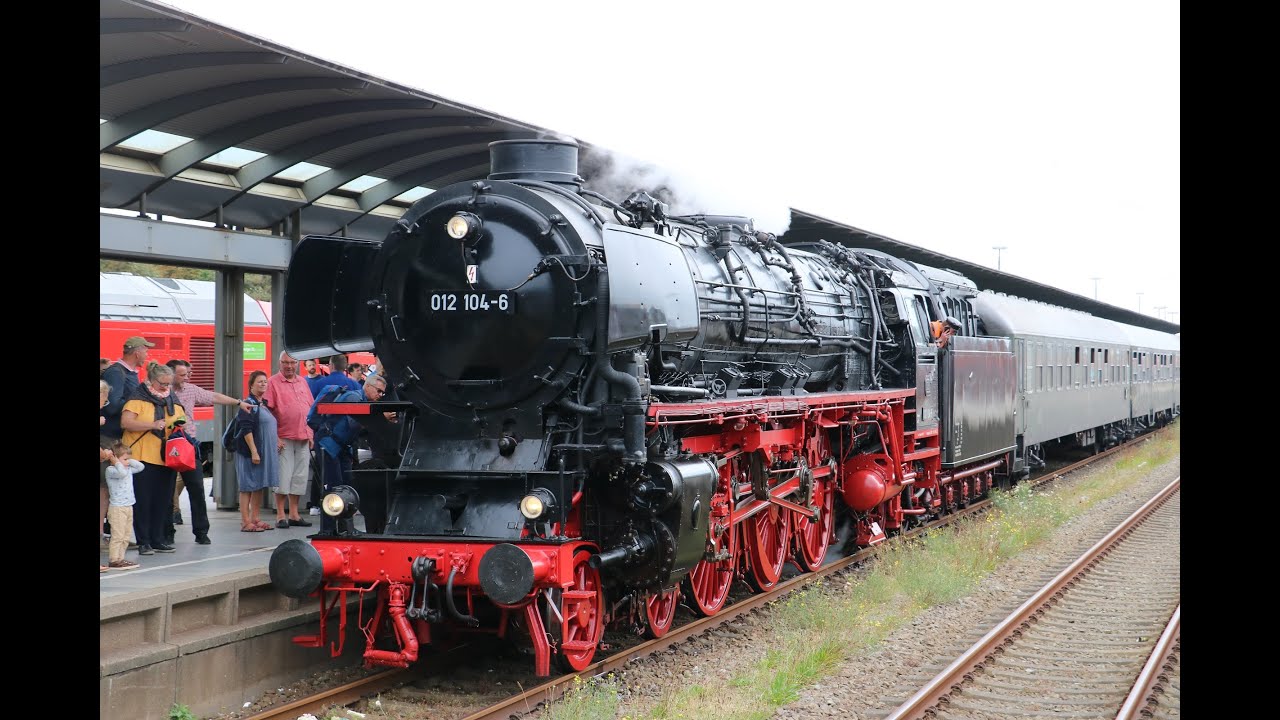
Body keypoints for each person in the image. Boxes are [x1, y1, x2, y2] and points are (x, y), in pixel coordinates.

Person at [165, 358, 252, 543]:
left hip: (188, 444)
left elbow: (213, 397)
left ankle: (201, 532)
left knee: (196, 488)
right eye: (182, 375)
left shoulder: (190, 389)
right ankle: (166, 531)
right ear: (170, 375)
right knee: (165, 489)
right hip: (167, 444)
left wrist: (238, 403)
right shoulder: (161, 391)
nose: (186, 378)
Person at [120, 361, 187, 555]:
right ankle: (144, 542)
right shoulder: (137, 399)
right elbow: (126, 422)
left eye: (168, 384)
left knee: (162, 500)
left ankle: (158, 540)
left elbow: (181, 419)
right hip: (142, 458)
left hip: (167, 457)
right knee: (143, 501)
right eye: (162, 384)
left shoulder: (171, 398)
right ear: (151, 380)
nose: (166, 387)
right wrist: (152, 424)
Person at [264, 351, 314, 530]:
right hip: (283, 437)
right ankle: (280, 515)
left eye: (292, 363)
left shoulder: (302, 382)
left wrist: (310, 434)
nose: (289, 366)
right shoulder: (272, 382)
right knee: (282, 477)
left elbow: (310, 407)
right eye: (285, 362)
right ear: (279, 363)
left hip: (303, 436)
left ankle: (294, 514)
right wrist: (274, 437)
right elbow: (267, 412)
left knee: (300, 476)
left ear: (298, 364)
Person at [351, 373, 401, 534]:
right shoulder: (355, 398)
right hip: (339, 446)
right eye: (378, 392)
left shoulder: (367, 401)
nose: (380, 396)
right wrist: (381, 418)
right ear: (368, 386)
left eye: (382, 393)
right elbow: (355, 425)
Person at [233, 370, 277, 532]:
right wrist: (254, 451)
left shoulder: (262, 403)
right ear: (251, 385)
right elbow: (246, 429)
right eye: (259, 382)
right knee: (247, 486)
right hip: (249, 453)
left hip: (262, 452)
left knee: (258, 485)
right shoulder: (248, 404)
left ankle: (255, 518)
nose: (263, 384)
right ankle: (245, 522)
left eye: (265, 381)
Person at [101, 336, 154, 442]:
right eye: (146, 352)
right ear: (137, 354)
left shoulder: (128, 373)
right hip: (110, 438)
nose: (147, 356)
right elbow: (112, 406)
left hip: (118, 436)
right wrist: (138, 406)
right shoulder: (115, 373)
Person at [103, 441, 142, 571]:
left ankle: (120, 558)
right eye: (125, 459)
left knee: (126, 535)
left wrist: (128, 461)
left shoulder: (127, 468)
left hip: (128, 506)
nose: (128, 462)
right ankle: (114, 559)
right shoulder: (111, 470)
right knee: (118, 535)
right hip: (117, 508)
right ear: (114, 458)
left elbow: (141, 467)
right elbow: (122, 474)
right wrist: (116, 462)